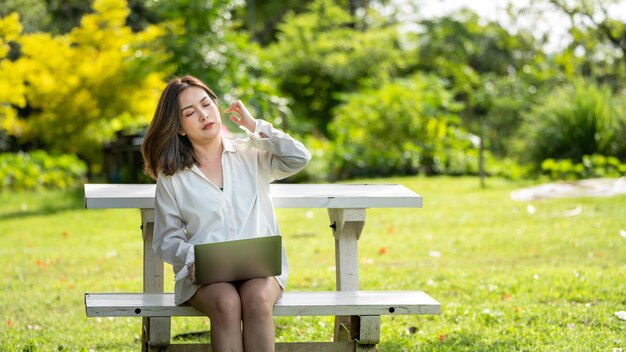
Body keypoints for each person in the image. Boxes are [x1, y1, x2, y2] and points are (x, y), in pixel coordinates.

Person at [141, 75, 311, 352]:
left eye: (206, 104)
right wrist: (194, 258)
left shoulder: (251, 152)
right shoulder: (173, 177)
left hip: (261, 270)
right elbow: (166, 239)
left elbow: (299, 157)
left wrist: (254, 126)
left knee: (256, 300)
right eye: (190, 113)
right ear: (180, 128)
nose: (203, 115)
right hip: (203, 275)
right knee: (226, 302)